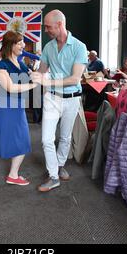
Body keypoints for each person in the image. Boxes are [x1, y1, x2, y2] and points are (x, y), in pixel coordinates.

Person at [31, 10, 87, 192]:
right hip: (52, 98)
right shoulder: (48, 47)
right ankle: (53, 176)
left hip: (72, 99)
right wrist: (35, 75)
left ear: (60, 24)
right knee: (47, 139)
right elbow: (42, 70)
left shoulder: (79, 47)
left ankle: (60, 165)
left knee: (65, 137)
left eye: (48, 27)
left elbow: (75, 78)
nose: (46, 30)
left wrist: (48, 81)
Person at [0, 31, 38, 186]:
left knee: (23, 140)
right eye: (19, 42)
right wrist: (32, 85)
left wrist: (35, 75)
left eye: (23, 42)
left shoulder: (20, 63)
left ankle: (13, 174)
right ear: (10, 45)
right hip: (5, 107)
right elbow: (9, 87)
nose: (23, 45)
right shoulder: (1, 65)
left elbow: (29, 75)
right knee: (0, 140)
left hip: (18, 107)